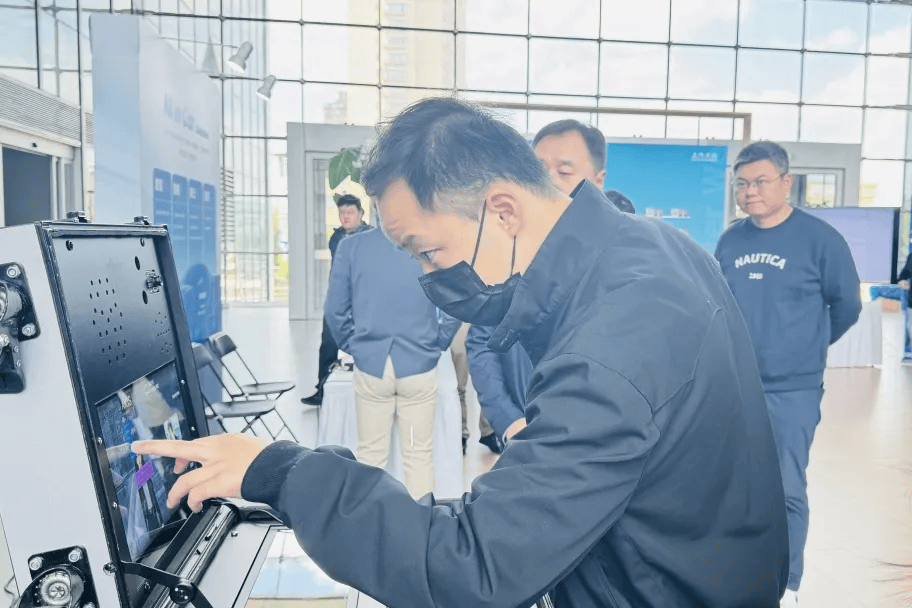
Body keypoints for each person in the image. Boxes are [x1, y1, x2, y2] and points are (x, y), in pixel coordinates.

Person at [134, 98, 788, 607]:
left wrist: (283, 473)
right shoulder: (651, 248)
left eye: (428, 251)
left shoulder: (614, 339)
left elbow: (477, 568)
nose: (428, 278)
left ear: (502, 210)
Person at [715, 141, 861, 608]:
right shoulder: (730, 241)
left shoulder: (821, 240)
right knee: (734, 486)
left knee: (785, 488)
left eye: (760, 181)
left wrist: (806, 349)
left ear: (786, 182)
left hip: (791, 390)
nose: (750, 192)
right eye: (741, 184)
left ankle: (787, 584)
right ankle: (737, 572)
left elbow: (848, 306)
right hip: (736, 385)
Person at [466, 118, 616, 445]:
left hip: (596, 439)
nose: (547, 183)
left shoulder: (618, 259)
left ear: (598, 181)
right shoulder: (506, 254)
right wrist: (507, 419)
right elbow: (482, 342)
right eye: (537, 170)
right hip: (523, 432)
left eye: (564, 172)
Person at [321, 222, 460, 497]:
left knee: (370, 456)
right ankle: (420, 521)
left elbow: (334, 311)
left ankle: (371, 520)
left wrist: (355, 347)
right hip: (418, 363)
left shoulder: (351, 247)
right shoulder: (431, 242)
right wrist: (438, 342)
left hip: (373, 365)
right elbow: (455, 303)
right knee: (418, 455)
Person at [302, 194, 371, 406]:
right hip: (339, 299)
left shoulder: (371, 237)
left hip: (364, 299)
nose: (346, 216)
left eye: (350, 212)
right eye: (342, 213)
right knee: (328, 343)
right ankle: (322, 389)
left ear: (360, 213)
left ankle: (368, 391)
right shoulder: (336, 237)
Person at [448, 323, 500, 455]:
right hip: (459, 322)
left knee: (491, 382)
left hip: (485, 323)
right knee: (458, 387)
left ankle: (488, 431)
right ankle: (461, 435)